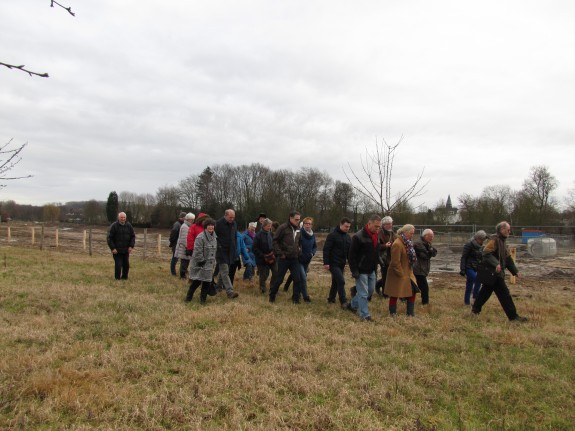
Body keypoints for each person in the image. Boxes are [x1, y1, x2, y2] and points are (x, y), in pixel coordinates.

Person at [472, 222, 528, 322]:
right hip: (493, 274)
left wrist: (515, 272)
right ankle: (513, 317)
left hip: (495, 274)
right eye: (508, 230)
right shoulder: (494, 240)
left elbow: (507, 259)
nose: (509, 232)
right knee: (505, 295)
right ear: (502, 229)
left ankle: (475, 310)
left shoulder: (502, 242)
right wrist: (496, 264)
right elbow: (486, 252)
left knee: (485, 292)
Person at [347, 214, 382, 321]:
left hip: (371, 269)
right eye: (376, 226)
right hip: (361, 269)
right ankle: (365, 315)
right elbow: (351, 256)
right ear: (369, 223)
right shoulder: (358, 236)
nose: (377, 228)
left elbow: (375, 251)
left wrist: (379, 261)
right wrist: (354, 271)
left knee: (370, 290)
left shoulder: (376, 236)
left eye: (379, 226)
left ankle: (352, 305)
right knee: (363, 293)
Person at [269, 211, 304, 304]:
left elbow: (300, 241)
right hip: (284, 258)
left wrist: (299, 249)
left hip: (295, 258)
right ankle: (272, 296)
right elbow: (275, 241)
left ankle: (295, 299)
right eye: (296, 219)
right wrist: (280, 254)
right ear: (290, 218)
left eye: (299, 219)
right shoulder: (282, 228)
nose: (298, 221)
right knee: (279, 279)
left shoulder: (299, 229)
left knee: (297, 279)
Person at [384, 224, 418, 317]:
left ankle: (410, 313)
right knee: (394, 293)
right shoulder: (397, 244)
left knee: (413, 291)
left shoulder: (407, 243)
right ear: (405, 232)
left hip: (408, 273)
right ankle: (393, 313)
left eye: (413, 233)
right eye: (411, 233)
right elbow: (395, 262)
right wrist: (401, 273)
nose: (412, 235)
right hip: (397, 274)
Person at [283, 217, 317, 302]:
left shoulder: (312, 235)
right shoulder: (299, 233)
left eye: (310, 224)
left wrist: (312, 253)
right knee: (303, 278)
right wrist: (298, 251)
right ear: (303, 224)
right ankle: (306, 296)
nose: (308, 225)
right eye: (306, 223)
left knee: (300, 277)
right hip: (299, 260)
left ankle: (298, 293)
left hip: (307, 260)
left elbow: (314, 246)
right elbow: (295, 244)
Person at [185, 218, 217, 304]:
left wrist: (214, 262)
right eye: (209, 225)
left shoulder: (214, 237)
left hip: (209, 265)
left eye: (212, 225)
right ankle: (188, 298)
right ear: (205, 226)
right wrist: (201, 260)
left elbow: (214, 251)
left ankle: (203, 301)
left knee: (207, 283)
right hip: (201, 264)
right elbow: (197, 250)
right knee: (196, 282)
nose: (211, 227)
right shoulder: (200, 237)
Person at [323, 217, 352, 307]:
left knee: (336, 282)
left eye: (348, 227)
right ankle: (343, 301)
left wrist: (351, 263)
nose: (347, 228)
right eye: (345, 226)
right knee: (341, 281)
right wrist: (326, 262)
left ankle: (331, 299)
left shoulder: (348, 237)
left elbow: (349, 252)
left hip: (342, 263)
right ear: (341, 225)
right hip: (333, 263)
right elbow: (326, 249)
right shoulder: (332, 235)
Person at [214, 209, 239, 298]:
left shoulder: (234, 224)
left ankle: (217, 287)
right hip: (221, 251)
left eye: (233, 217)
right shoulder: (218, 224)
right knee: (225, 271)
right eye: (230, 217)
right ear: (225, 215)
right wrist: (218, 247)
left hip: (230, 251)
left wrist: (235, 247)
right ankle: (230, 291)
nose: (232, 219)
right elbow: (214, 237)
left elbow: (235, 236)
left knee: (224, 271)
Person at [460, 230, 487, 305]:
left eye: (483, 240)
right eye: (481, 240)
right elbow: (464, 257)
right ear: (477, 238)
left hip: (476, 268)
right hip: (468, 267)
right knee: (478, 280)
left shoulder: (481, 247)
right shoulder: (469, 245)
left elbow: (481, 258)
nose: (482, 242)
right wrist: (462, 269)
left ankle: (467, 302)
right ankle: (475, 297)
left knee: (469, 285)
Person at [107, 212, 136, 280]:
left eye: (124, 217)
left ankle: (124, 277)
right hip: (117, 251)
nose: (123, 219)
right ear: (118, 218)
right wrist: (113, 248)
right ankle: (117, 278)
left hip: (126, 250)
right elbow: (110, 238)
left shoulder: (129, 226)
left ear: (125, 218)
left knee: (126, 265)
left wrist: (131, 246)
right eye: (121, 217)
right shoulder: (114, 226)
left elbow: (133, 236)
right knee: (118, 265)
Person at [413, 229, 438, 305]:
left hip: (423, 268)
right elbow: (425, 255)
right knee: (424, 287)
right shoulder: (418, 243)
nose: (432, 238)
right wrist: (429, 251)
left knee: (416, 286)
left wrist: (429, 251)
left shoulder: (427, 243)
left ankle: (405, 298)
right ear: (425, 236)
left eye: (432, 236)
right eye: (430, 236)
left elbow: (434, 252)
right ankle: (425, 303)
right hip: (418, 268)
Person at [253, 218, 277, 294]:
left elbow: (274, 244)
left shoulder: (271, 234)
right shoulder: (258, 235)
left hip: (272, 257)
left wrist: (274, 253)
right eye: (268, 226)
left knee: (276, 271)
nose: (270, 227)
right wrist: (263, 255)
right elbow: (254, 248)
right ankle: (262, 288)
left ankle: (273, 288)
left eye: (270, 225)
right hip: (262, 259)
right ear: (264, 226)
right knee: (264, 275)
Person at [376, 216, 396, 297]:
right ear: (383, 225)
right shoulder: (380, 233)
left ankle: (378, 284)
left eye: (391, 223)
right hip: (383, 258)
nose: (390, 225)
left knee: (390, 275)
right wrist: (385, 246)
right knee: (385, 275)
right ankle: (385, 294)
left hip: (391, 257)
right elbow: (376, 246)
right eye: (388, 224)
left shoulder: (392, 233)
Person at [174, 213, 195, 279]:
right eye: (192, 220)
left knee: (186, 262)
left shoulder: (187, 226)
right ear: (188, 219)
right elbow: (185, 239)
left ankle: (183, 274)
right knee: (184, 262)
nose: (193, 221)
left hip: (186, 247)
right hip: (184, 248)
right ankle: (182, 276)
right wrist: (188, 247)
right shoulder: (185, 227)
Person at [169, 212, 186, 276]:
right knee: (175, 258)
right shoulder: (177, 224)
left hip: (180, 244)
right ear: (181, 217)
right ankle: (173, 272)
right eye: (185, 217)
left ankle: (183, 271)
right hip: (176, 243)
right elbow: (173, 234)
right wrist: (172, 242)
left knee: (182, 258)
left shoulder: (182, 224)